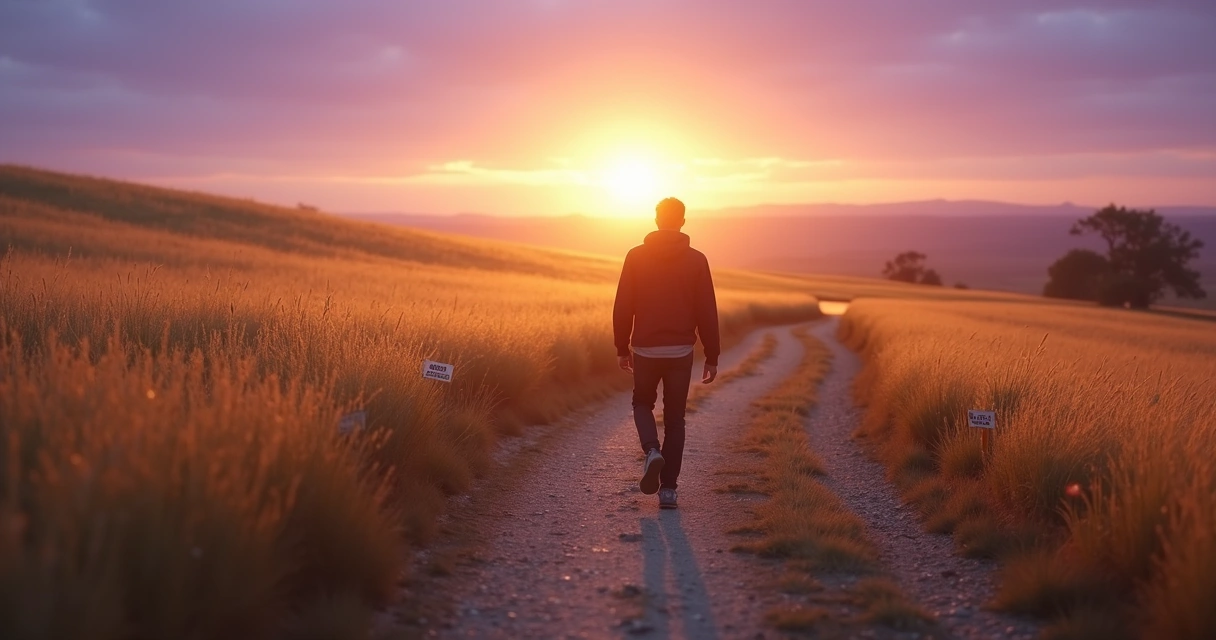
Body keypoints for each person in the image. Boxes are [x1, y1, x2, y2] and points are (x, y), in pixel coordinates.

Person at [613, 197, 720, 509]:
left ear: (656, 219)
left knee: (642, 402)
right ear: (683, 221)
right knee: (676, 418)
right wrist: (712, 355)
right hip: (680, 351)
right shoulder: (697, 260)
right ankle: (669, 490)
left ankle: (651, 451)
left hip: (645, 348)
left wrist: (622, 347)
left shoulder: (635, 256)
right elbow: (707, 311)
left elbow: (623, 306)